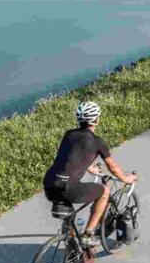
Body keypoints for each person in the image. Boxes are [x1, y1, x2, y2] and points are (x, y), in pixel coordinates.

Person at [43, 101, 137, 253]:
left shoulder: (69, 134)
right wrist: (127, 179)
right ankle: (87, 235)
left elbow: (70, 156)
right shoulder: (97, 142)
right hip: (69, 187)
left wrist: (90, 168)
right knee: (104, 191)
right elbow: (112, 167)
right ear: (97, 120)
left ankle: (71, 243)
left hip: (50, 183)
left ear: (79, 119)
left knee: (70, 214)